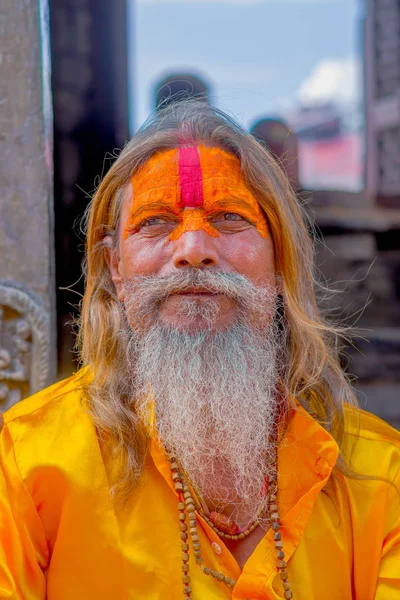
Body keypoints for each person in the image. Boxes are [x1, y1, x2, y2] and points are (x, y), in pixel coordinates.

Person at [0, 101, 399, 600]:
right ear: (116, 269)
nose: (193, 247)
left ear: (280, 265)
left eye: (230, 218)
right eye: (155, 221)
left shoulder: (382, 477)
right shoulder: (31, 466)